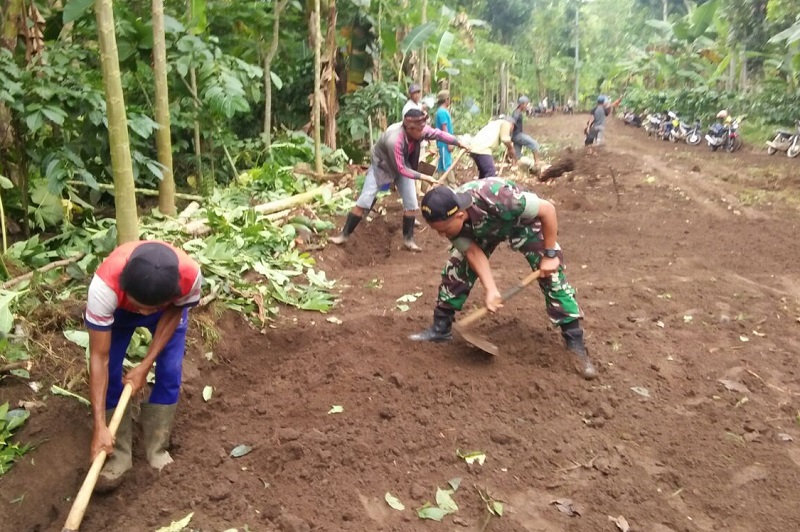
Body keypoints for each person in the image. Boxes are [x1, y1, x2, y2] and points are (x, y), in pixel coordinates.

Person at [409, 180, 597, 379]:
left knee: (553, 278)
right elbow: (473, 252)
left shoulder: (500, 199)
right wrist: (491, 289)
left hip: (521, 224)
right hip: (482, 229)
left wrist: (550, 255)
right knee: (457, 267)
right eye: (437, 230)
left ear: (460, 215)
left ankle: (575, 344)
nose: (441, 235)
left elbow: (548, 210)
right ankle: (441, 327)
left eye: (445, 230)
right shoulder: (446, 213)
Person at [86, 240, 203, 492]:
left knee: (170, 371)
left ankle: (157, 449)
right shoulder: (104, 288)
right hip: (119, 313)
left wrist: (144, 365)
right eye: (139, 305)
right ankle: (118, 454)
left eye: (148, 309)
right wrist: (99, 426)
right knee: (112, 371)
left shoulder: (189, 278)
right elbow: (99, 358)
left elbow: (175, 312)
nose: (142, 312)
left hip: (167, 313)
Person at [329, 109, 468, 251]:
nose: (424, 132)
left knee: (412, 205)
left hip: (403, 165)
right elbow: (401, 169)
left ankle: (408, 240)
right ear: (410, 128)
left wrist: (459, 143)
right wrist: (426, 177)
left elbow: (438, 134)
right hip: (382, 166)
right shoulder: (394, 140)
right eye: (420, 129)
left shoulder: (419, 129)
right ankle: (344, 235)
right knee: (364, 201)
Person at [507, 96, 543, 167]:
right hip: (517, 135)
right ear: (521, 104)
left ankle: (514, 167)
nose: (527, 106)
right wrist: (509, 136)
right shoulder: (516, 113)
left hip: (515, 136)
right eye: (526, 104)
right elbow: (511, 124)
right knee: (535, 144)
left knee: (516, 154)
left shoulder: (517, 112)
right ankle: (537, 164)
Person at [434, 90, 454, 174]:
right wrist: (449, 142)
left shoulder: (443, 111)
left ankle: (443, 184)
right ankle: (451, 184)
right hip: (444, 145)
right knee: (447, 167)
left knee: (442, 168)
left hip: (444, 144)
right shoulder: (442, 112)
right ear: (446, 99)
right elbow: (444, 128)